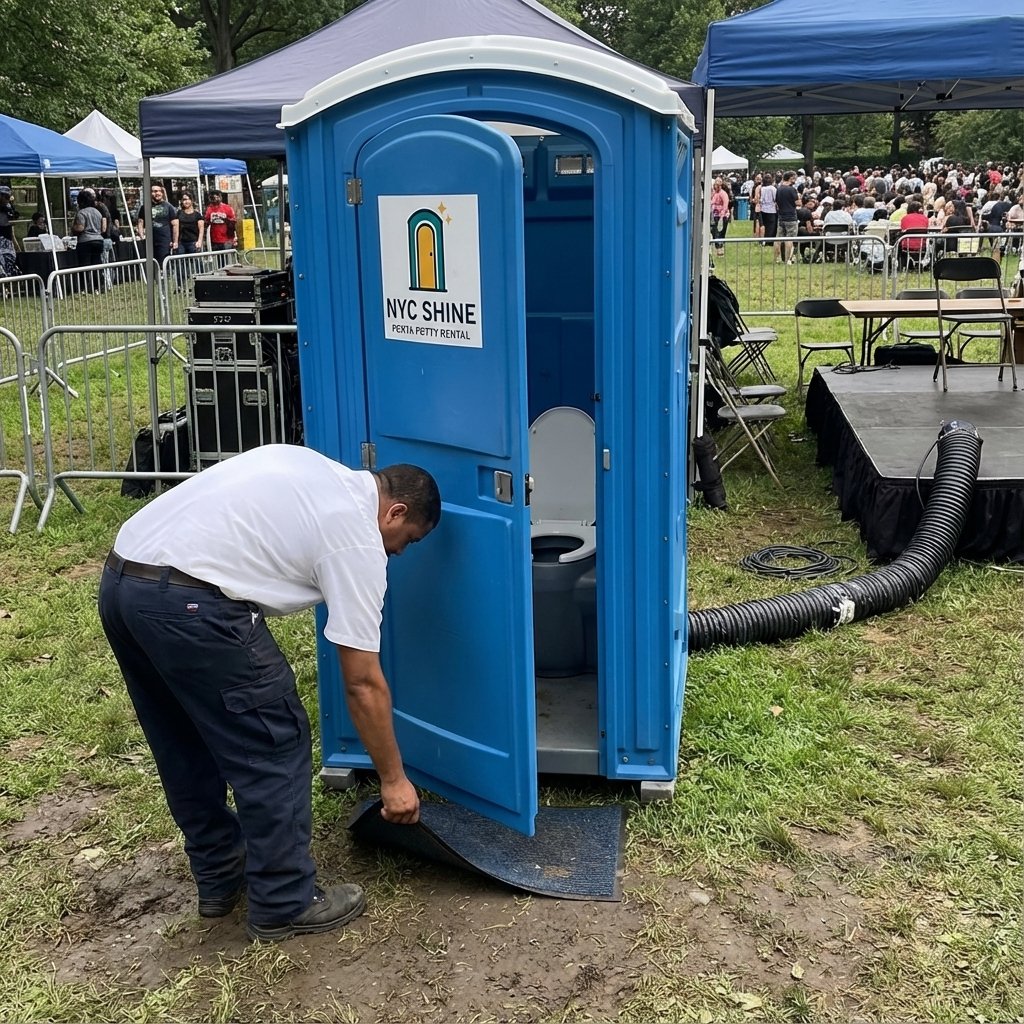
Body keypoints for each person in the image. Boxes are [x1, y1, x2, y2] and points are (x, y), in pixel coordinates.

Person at [97, 446, 441, 942]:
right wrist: (393, 780)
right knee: (274, 737)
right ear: (396, 512)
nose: (398, 552)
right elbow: (362, 681)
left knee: (183, 737)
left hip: (122, 582)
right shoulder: (356, 539)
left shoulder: (312, 468)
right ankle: (284, 901)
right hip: (192, 602)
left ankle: (220, 876)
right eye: (405, 541)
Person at [72, 189, 107, 292]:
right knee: (97, 264)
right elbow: (103, 229)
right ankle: (98, 287)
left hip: (85, 241)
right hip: (98, 240)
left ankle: (83, 288)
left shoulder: (81, 213)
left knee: (84, 266)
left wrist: (73, 227)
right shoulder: (98, 212)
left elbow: (80, 228)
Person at [136, 184, 178, 266]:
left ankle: (164, 277)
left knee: (163, 263)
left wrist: (175, 241)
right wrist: (142, 236)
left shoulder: (169, 207)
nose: (157, 193)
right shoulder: (144, 207)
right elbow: (140, 222)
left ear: (162, 193)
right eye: (154, 191)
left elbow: (175, 225)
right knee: (151, 263)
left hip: (164, 240)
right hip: (149, 241)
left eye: (159, 191)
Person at [175, 193, 205, 290]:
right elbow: (175, 228)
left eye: (188, 199)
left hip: (193, 242)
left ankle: (201, 282)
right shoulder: (179, 213)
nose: (186, 201)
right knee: (180, 264)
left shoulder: (197, 215)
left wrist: (199, 241)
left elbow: (201, 229)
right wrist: (174, 241)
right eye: (184, 199)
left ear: (192, 201)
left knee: (197, 263)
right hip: (181, 243)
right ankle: (180, 285)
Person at [775, 170, 799, 265]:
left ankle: (777, 258)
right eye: (794, 178)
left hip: (781, 216)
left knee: (778, 239)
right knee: (790, 238)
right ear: (790, 178)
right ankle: (788, 259)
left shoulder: (779, 188)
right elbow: (797, 203)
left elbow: (776, 203)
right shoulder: (792, 189)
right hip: (791, 217)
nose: (795, 180)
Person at [709, 177, 730, 256]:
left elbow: (725, 205)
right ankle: (717, 248)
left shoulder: (723, 194)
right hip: (714, 214)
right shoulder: (714, 193)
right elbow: (711, 202)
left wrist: (722, 215)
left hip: (722, 215)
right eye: (715, 185)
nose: (716, 187)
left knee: (720, 232)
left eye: (717, 185)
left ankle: (720, 249)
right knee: (714, 232)